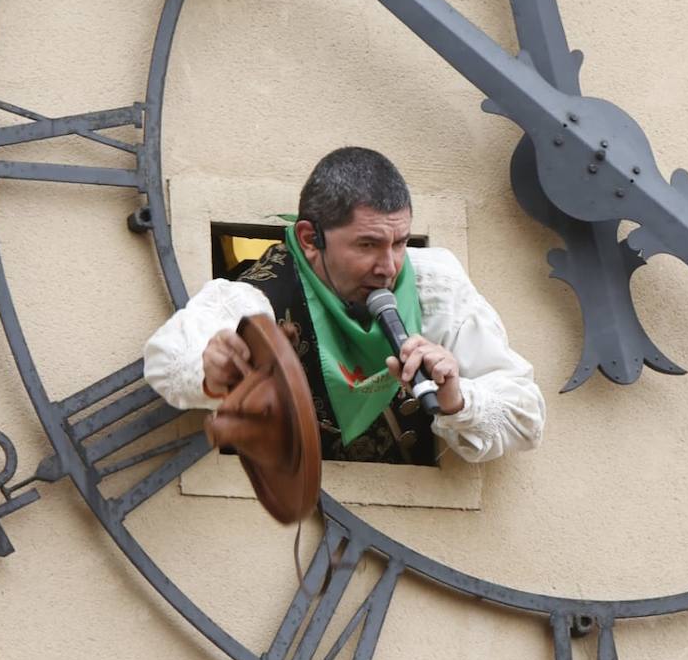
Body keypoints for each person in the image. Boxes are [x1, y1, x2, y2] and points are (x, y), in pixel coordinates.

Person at [144, 148, 545, 465]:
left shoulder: (434, 283)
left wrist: (457, 399)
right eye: (367, 245)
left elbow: (526, 416)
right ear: (309, 239)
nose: (389, 267)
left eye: (400, 243)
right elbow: (168, 358)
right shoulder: (264, 294)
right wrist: (213, 368)